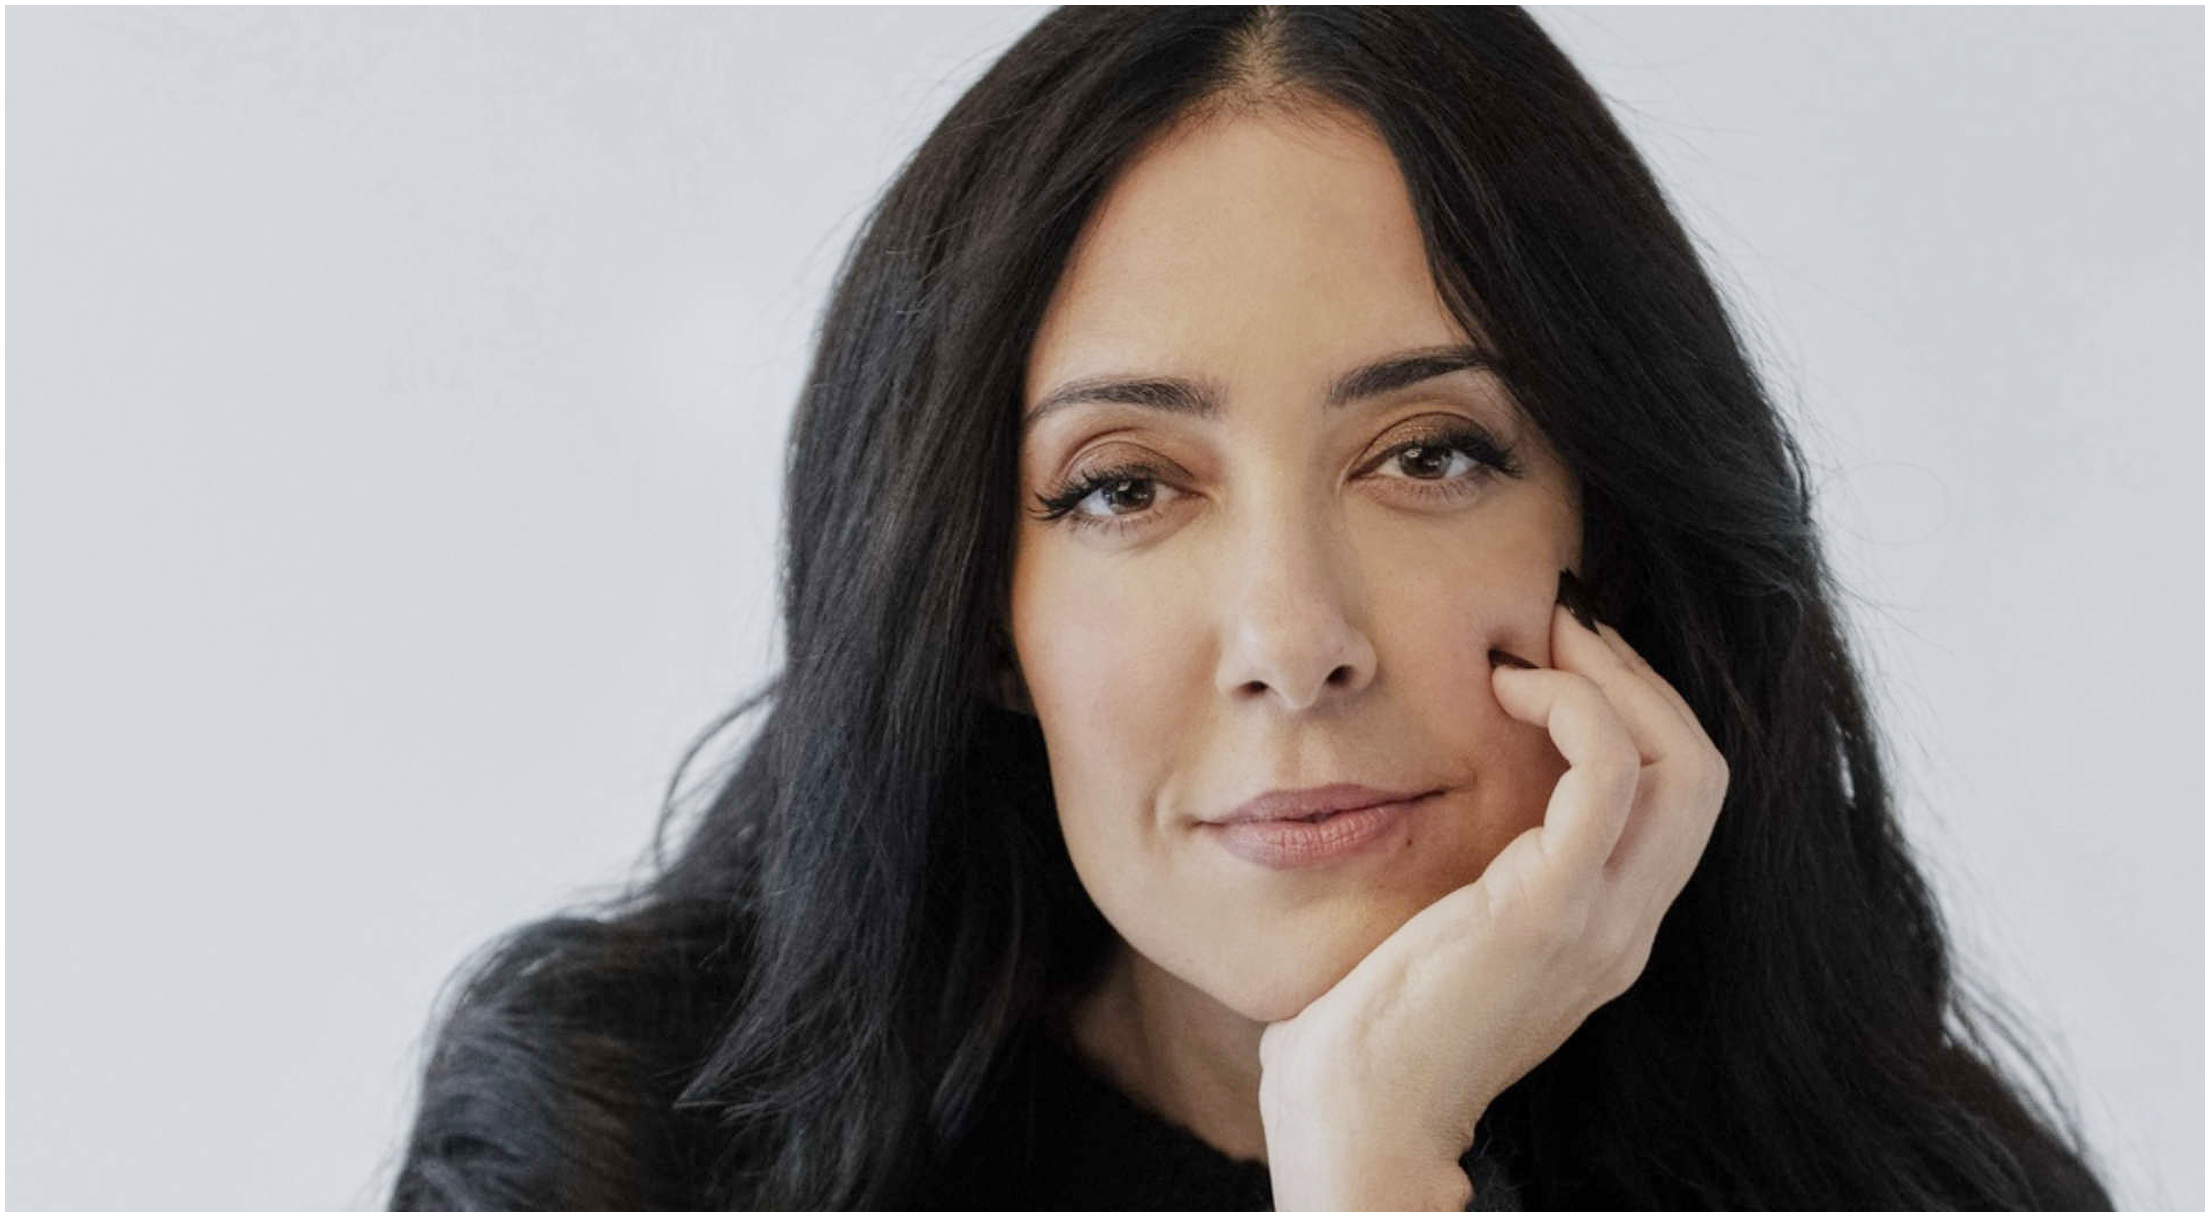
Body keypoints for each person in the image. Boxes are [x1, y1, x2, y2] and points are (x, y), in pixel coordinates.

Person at [387, 8, 2115, 1210]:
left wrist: (1373, 1170)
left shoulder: (1902, 1188)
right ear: (977, 614)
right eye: (1124, 487)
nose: (1295, 638)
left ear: (1615, 539)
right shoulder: (608, 1155)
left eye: (1429, 454)